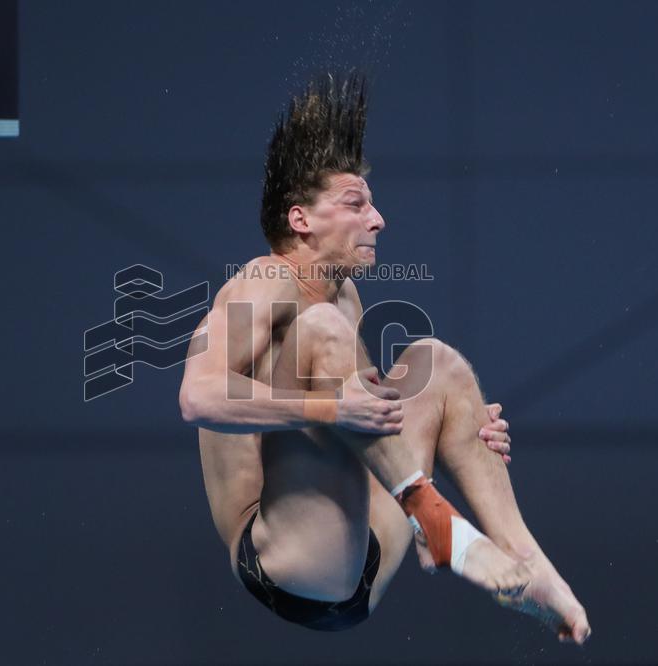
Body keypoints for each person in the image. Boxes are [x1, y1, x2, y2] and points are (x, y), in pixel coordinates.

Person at [178, 73, 591, 643]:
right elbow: (196, 397)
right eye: (356, 204)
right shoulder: (260, 281)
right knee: (324, 334)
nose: (378, 219)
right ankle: (436, 521)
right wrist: (331, 410)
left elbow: (368, 430)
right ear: (301, 219)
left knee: (437, 364)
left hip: (361, 554)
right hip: (283, 559)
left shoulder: (346, 295)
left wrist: (460, 428)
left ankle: (527, 563)